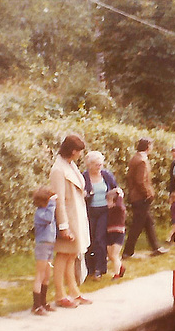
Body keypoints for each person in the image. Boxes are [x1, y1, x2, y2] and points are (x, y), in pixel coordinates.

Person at [49, 134, 92, 308]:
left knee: (72, 254)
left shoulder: (70, 165)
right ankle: (60, 294)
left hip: (77, 216)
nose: (80, 155)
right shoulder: (58, 170)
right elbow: (58, 200)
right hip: (68, 218)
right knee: (63, 255)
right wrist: (63, 226)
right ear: (73, 151)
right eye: (79, 151)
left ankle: (74, 291)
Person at [122, 137, 168, 258]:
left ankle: (155, 247)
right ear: (147, 147)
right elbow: (140, 181)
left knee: (149, 222)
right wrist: (148, 194)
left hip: (137, 196)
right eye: (151, 146)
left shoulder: (135, 158)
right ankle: (127, 252)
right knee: (137, 225)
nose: (152, 148)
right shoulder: (141, 160)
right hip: (141, 197)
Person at [82, 151, 117, 281]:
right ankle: (89, 268)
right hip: (90, 211)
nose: (99, 167)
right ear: (89, 165)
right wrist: (85, 194)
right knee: (89, 239)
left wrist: (115, 195)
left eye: (100, 164)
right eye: (96, 165)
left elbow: (115, 188)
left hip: (104, 210)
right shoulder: (84, 176)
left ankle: (100, 268)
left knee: (100, 238)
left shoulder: (106, 175)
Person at [31, 186, 57, 316]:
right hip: (42, 246)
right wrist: (52, 203)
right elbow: (49, 219)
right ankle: (36, 306)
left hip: (50, 246)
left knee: (47, 275)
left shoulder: (47, 211)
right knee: (40, 275)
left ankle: (43, 302)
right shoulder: (40, 213)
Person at [106, 188, 127, 280]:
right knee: (111, 255)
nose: (107, 203)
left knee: (114, 255)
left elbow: (119, 203)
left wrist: (119, 194)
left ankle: (116, 274)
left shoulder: (119, 208)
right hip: (110, 233)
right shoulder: (109, 210)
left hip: (118, 233)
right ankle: (121, 267)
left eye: (109, 201)